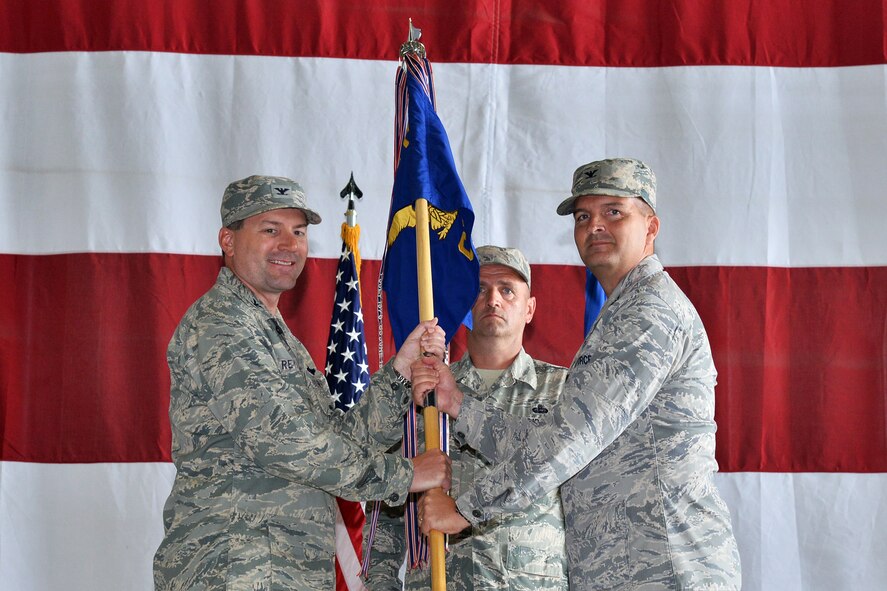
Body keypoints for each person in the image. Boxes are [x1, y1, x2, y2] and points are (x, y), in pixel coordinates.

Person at [412, 159, 742, 590]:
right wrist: (459, 405)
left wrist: (465, 509)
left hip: (664, 565)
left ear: (651, 226)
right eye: (584, 216)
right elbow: (555, 440)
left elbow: (569, 440)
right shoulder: (621, 312)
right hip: (629, 567)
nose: (595, 226)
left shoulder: (648, 311)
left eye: (614, 212)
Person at [153, 175, 451, 591]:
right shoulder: (222, 325)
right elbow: (288, 444)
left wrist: (399, 373)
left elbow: (334, 436)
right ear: (228, 239)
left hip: (281, 568)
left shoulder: (270, 330)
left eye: (299, 232)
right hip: (233, 567)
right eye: (270, 230)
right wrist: (403, 476)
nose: (289, 245)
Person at [365, 245, 570, 590]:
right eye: (479, 289)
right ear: (463, 303)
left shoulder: (565, 390)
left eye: (507, 289)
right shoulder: (425, 388)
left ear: (530, 308)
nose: (493, 300)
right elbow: (386, 504)